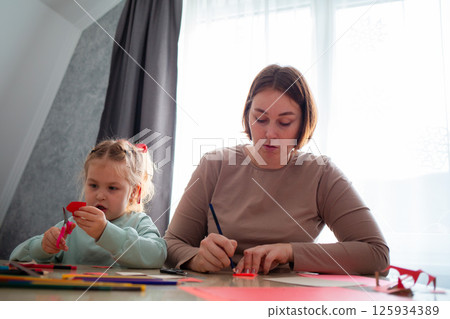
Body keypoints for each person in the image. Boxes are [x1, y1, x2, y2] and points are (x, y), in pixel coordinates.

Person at [164, 64, 389, 275]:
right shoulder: (215, 164)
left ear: (302, 124)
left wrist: (290, 251)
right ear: (247, 115)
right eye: (260, 119)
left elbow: (377, 255)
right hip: (215, 295)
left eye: (284, 123)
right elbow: (171, 244)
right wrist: (195, 258)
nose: (270, 134)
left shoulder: (321, 174)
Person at [10, 139, 167, 268]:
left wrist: (105, 232)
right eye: (93, 185)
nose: (100, 195)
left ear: (133, 192)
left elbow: (158, 255)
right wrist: (43, 247)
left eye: (112, 188)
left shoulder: (139, 222)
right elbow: (15, 258)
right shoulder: (72, 226)